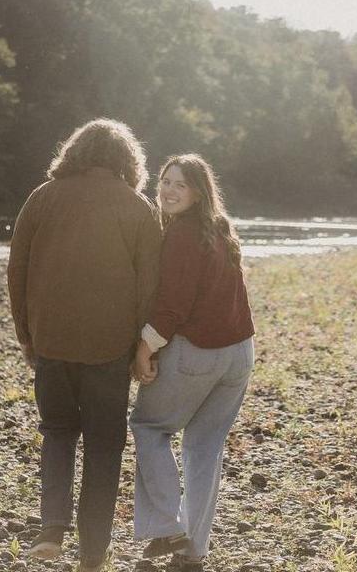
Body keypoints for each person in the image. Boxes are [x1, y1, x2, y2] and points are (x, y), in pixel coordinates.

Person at [7, 118, 162, 572]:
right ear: (127, 160)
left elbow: (17, 271)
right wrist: (143, 346)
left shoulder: (42, 198)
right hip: (109, 348)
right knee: (104, 446)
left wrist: (27, 334)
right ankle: (92, 554)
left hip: (51, 341)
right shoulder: (137, 207)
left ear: (74, 152)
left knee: (57, 431)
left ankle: (52, 529)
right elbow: (149, 287)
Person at [129, 154, 255, 572]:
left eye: (180, 184)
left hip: (200, 350)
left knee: (149, 426)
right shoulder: (220, 228)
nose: (168, 190)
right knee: (204, 447)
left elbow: (172, 306)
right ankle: (191, 553)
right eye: (165, 181)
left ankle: (167, 526)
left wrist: (145, 347)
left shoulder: (182, 234)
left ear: (198, 192)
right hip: (239, 353)